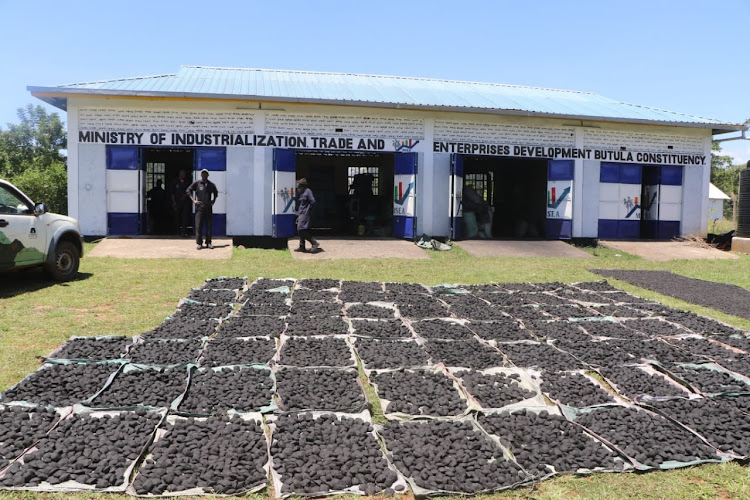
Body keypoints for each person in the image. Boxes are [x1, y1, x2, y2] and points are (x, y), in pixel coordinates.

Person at [187, 169, 219, 250]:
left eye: (206, 174)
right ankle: (199, 243)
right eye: (203, 174)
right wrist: (194, 200)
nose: (204, 175)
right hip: (200, 208)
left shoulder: (211, 185)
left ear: (208, 175)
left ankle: (208, 242)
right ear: (201, 175)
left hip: (208, 207)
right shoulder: (197, 183)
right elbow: (188, 190)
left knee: (209, 226)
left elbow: (216, 193)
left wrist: (213, 201)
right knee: (198, 226)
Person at [295, 178, 320, 253]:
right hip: (301, 213)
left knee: (301, 229)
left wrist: (308, 210)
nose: (298, 187)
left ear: (303, 186)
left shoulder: (308, 191)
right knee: (300, 230)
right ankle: (302, 246)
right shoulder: (301, 193)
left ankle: (314, 243)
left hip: (305, 213)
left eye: (299, 185)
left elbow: (313, 201)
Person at [171, 169, 192, 237]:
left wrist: (185, 196)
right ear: (179, 174)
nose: (182, 175)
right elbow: (172, 193)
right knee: (177, 217)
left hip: (185, 202)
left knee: (185, 217)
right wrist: (174, 202)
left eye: (184, 173)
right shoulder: (175, 182)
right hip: (177, 202)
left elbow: (190, 191)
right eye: (181, 173)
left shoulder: (188, 182)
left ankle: (184, 232)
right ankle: (177, 232)